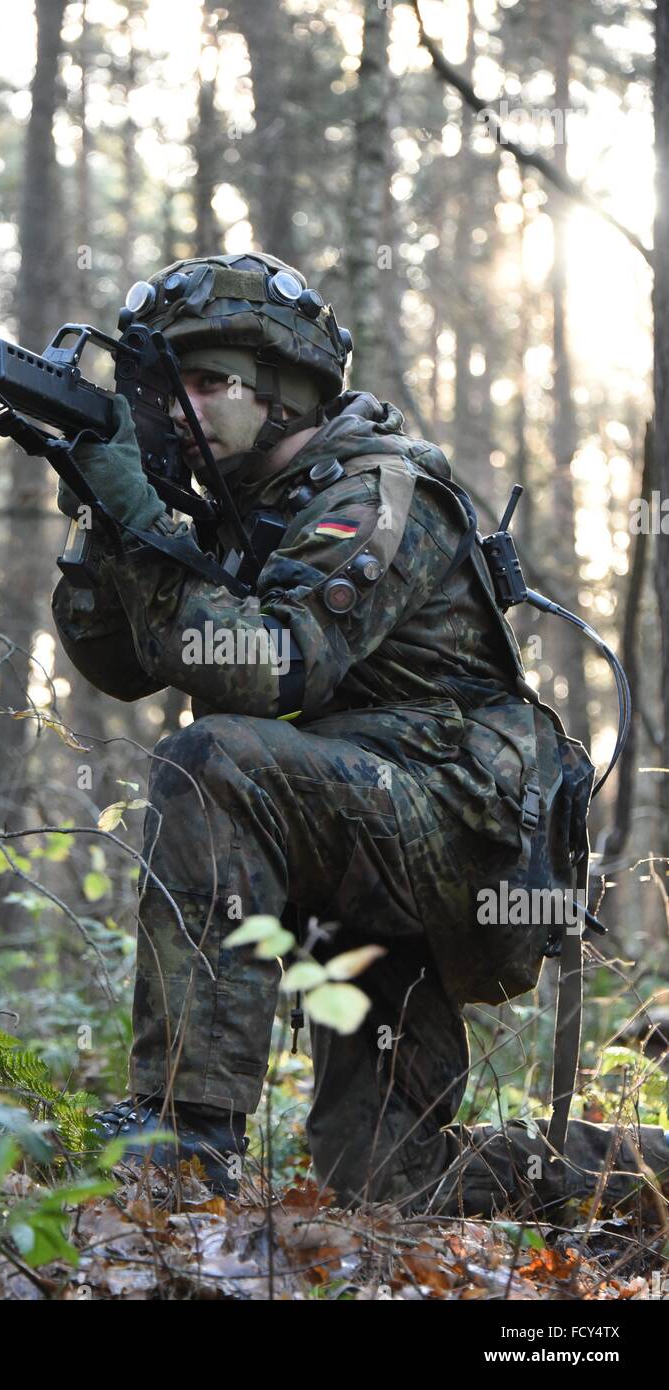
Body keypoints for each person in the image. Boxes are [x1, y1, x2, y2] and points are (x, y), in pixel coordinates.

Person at [51, 252, 669, 1216]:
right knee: (385, 1181)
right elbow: (121, 669)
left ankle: (182, 1135)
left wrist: (141, 528)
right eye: (169, 389)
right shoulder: (241, 514)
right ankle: (645, 1175)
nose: (178, 410)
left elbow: (269, 670)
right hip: (364, 830)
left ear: (290, 396)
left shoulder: (377, 496)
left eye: (208, 384)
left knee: (212, 763)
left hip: (457, 834)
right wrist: (107, 523)